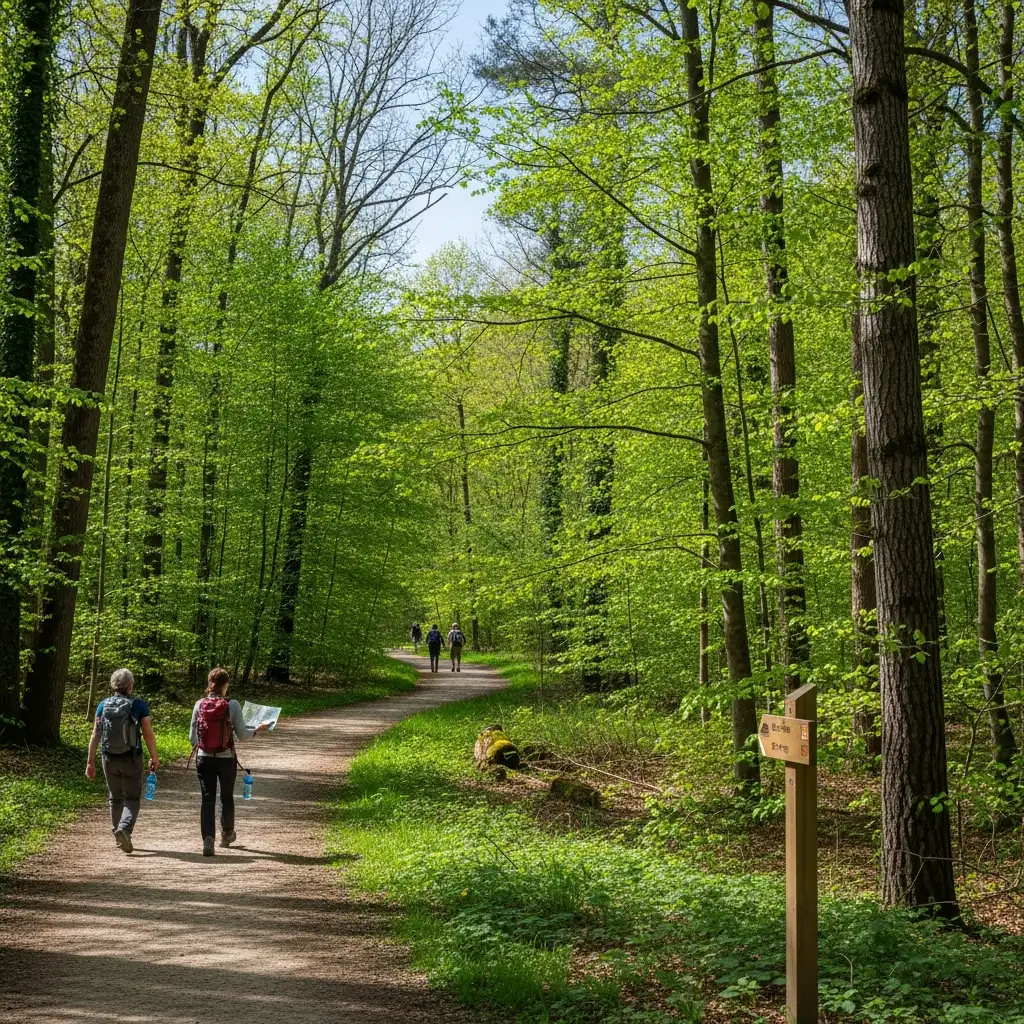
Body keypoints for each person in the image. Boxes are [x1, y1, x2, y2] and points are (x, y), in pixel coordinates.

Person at [188, 667, 269, 857]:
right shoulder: (232, 705)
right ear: (226, 685)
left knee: (207, 799)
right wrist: (257, 729)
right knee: (226, 796)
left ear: (209, 684)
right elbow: (242, 735)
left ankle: (208, 839)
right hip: (226, 759)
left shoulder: (199, 704)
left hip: (203, 758)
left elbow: (193, 738)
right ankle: (226, 834)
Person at [85, 668, 159, 855]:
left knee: (115, 796)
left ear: (113, 685)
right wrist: (154, 756)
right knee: (132, 798)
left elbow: (96, 734)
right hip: (132, 757)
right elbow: (148, 733)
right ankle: (124, 829)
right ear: (130, 685)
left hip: (108, 757)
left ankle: (118, 831)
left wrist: (90, 762)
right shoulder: (139, 705)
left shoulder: (103, 705)